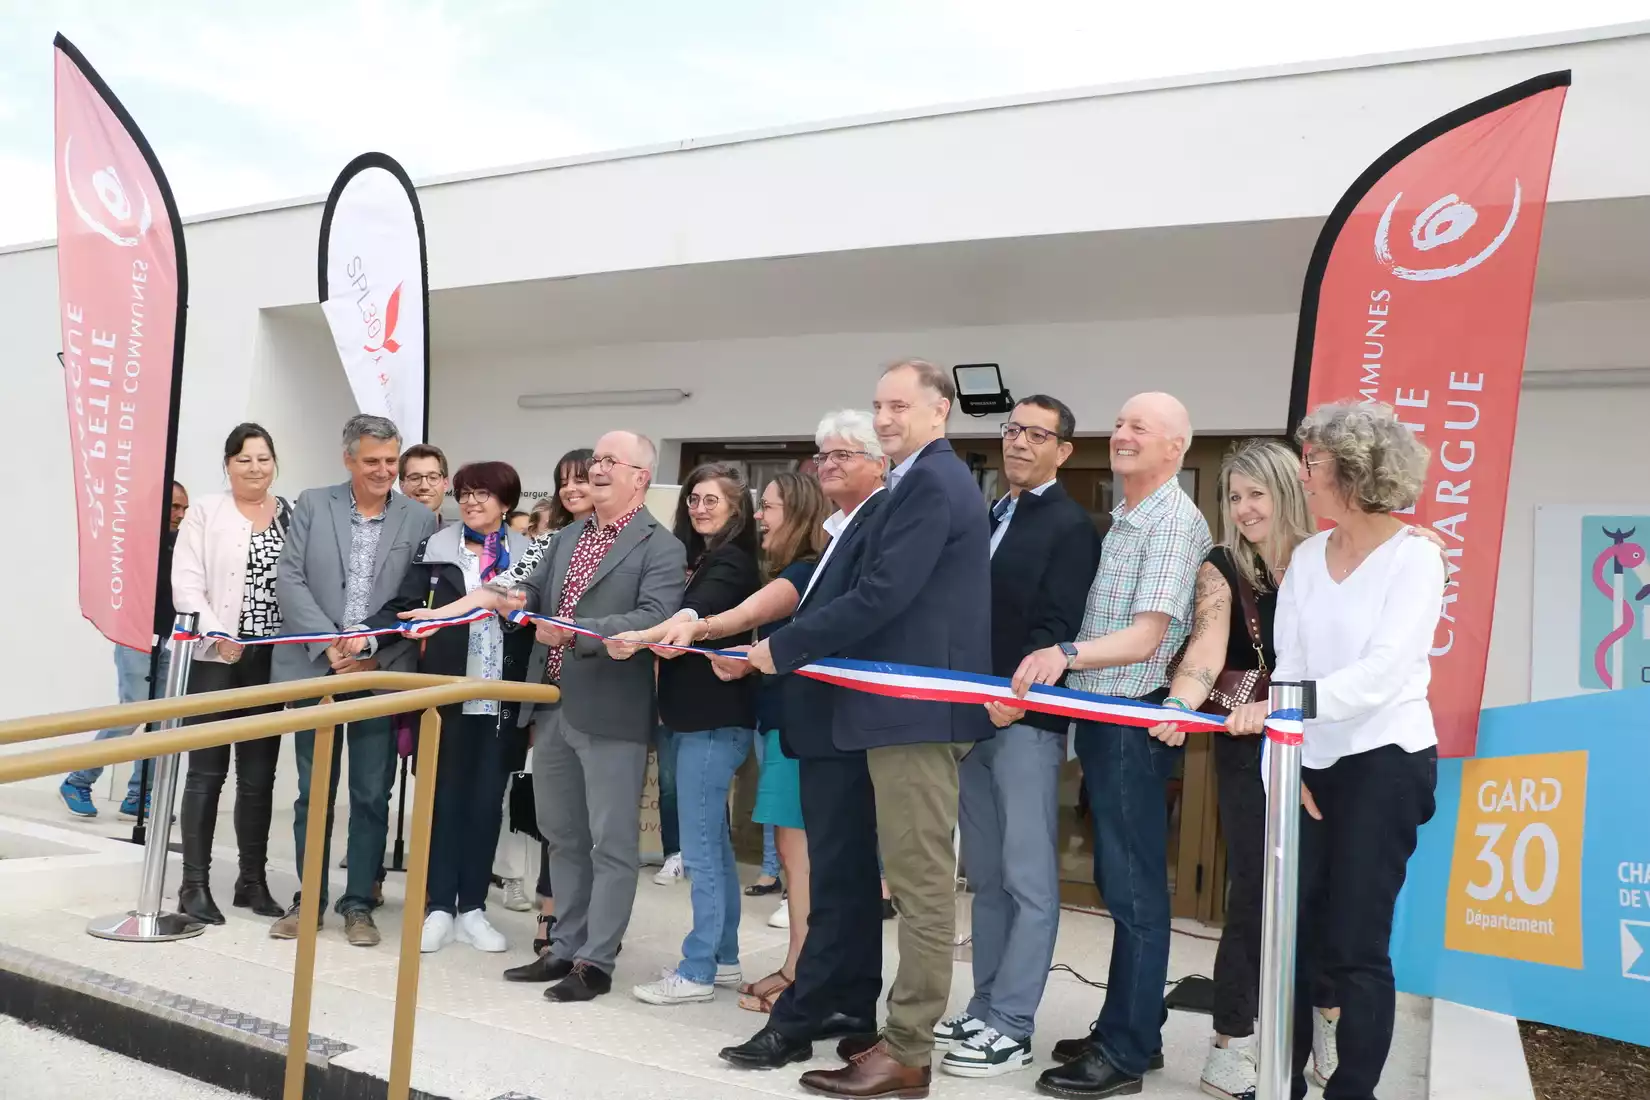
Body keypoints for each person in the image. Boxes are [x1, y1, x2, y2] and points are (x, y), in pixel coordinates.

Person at [747, 361, 994, 1098]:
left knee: (920, 888)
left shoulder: (933, 484)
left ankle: (909, 1052)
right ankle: (893, 1036)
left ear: (939, 410)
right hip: (893, 715)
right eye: (879, 405)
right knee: (908, 882)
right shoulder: (910, 481)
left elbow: (883, 592)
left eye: (900, 405)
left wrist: (783, 647)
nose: (885, 417)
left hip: (918, 715)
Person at [1224, 402, 1442, 1100]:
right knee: (1290, 938)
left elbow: (1381, 675)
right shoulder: (1310, 559)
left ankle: (1352, 1090)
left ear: (1354, 470)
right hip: (1305, 764)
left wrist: (1286, 717)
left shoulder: (1416, 560)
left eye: (1312, 463)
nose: (1303, 475)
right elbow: (1288, 668)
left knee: (1355, 945)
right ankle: (1279, 1084)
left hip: (1386, 764)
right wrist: (1282, 768)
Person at [1018, 391, 1211, 1099]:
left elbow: (1147, 637)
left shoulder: (1171, 523)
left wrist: (1061, 654)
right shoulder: (1129, 514)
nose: (1122, 434)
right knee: (1116, 882)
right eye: (1121, 423)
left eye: (1141, 427)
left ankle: (1125, 1054)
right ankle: (1132, 1029)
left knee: (1132, 892)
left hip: (1133, 722)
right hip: (1103, 720)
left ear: (1174, 449)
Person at [718, 410, 891, 1071]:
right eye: (824, 455)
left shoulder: (870, 527)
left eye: (844, 454)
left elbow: (855, 610)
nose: (830, 465)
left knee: (834, 871)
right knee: (838, 874)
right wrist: (715, 632)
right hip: (812, 721)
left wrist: (761, 647)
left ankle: (804, 1004)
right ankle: (844, 1000)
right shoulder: (838, 533)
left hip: (846, 721)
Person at [940, 395, 1101, 1079]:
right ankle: (983, 1007)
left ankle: (1013, 1024)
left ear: (1064, 450)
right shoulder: (989, 514)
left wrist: (1014, 696)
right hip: (973, 721)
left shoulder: (1070, 525)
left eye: (1038, 435)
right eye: (1013, 431)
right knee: (988, 880)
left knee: (1029, 880)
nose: (1021, 444)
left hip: (1026, 721)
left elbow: (1056, 625)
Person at [501, 430, 686, 1002]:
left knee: (611, 843)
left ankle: (596, 960)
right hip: (553, 704)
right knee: (562, 835)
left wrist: (579, 634)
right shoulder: (569, 535)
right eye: (596, 458)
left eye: (612, 461)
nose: (598, 468)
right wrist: (518, 600)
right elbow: (535, 589)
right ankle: (563, 946)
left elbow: (655, 614)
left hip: (612, 709)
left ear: (640, 478)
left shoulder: (661, 546)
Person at [268, 414, 438, 947]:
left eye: (392, 461)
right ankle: (309, 898)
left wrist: (370, 654)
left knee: (371, 793)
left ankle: (359, 902)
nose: (385, 471)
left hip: (381, 672)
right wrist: (331, 643)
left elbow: (418, 604)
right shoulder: (314, 504)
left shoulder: (420, 520)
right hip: (315, 668)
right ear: (348, 459)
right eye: (372, 462)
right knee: (312, 791)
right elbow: (289, 578)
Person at [609, 463, 761, 1005]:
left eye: (712, 500)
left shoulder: (732, 561)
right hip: (697, 720)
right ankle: (722, 958)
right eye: (694, 498)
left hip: (713, 722)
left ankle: (696, 970)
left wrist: (634, 635)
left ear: (736, 508)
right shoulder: (698, 557)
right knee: (712, 848)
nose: (699, 507)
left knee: (699, 852)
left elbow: (694, 612)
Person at [376, 462, 536, 954]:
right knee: (442, 802)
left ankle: (473, 908)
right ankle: (439, 906)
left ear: (505, 503)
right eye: (465, 493)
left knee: (487, 804)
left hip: (502, 699)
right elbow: (403, 607)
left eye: (483, 494)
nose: (471, 502)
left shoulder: (530, 555)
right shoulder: (435, 550)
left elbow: (534, 621)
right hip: (443, 697)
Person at [170, 425, 292, 924]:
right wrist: (218, 633)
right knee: (206, 773)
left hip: (269, 659)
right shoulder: (205, 510)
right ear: (228, 464)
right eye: (245, 460)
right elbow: (187, 583)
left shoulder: (289, 514)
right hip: (216, 657)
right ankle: (193, 884)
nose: (256, 468)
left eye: (264, 459)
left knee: (259, 777)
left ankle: (252, 881)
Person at [59, 481, 188, 819]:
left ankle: (139, 796)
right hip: (134, 639)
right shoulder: (134, 542)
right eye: (174, 507)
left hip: (166, 641)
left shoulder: (180, 544)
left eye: (184, 509)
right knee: (132, 712)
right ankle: (78, 780)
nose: (180, 514)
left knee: (162, 719)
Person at [398, 444, 450, 516]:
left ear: (445, 484)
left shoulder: (458, 527)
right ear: (401, 485)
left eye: (433, 477)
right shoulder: (386, 526)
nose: (424, 486)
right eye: (415, 478)